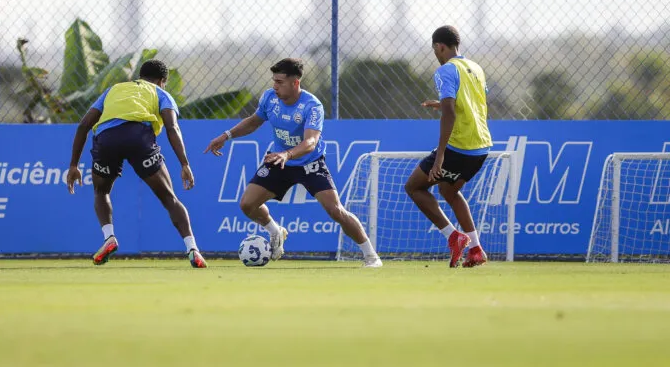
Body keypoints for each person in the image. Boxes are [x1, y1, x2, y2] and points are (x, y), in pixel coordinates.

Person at [204, 58, 383, 268]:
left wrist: (287, 155)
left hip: (309, 163)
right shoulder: (269, 98)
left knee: (335, 210)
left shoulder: (312, 105)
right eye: (274, 81)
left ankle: (371, 256)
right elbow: (254, 121)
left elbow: (310, 142)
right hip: (279, 161)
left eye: (280, 82)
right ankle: (275, 231)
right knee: (247, 204)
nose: (275, 86)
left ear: (295, 83)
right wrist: (226, 135)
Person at [66, 59, 207, 268]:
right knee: (169, 198)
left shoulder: (114, 89)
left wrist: (73, 165)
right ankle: (192, 249)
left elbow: (84, 125)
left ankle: (109, 237)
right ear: (162, 81)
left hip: (107, 139)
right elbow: (172, 127)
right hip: (138, 137)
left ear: (140, 75)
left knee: (101, 192)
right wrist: (184, 164)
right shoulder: (161, 94)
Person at [404, 26, 493, 268]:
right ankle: (475, 249)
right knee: (449, 191)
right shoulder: (475, 68)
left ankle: (454, 237)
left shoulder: (445, 70)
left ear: (439, 47)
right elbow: (473, 102)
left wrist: (441, 154)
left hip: (459, 146)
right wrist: (441, 104)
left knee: (414, 187)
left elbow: (451, 112)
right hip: (481, 146)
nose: (435, 54)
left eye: (435, 50)